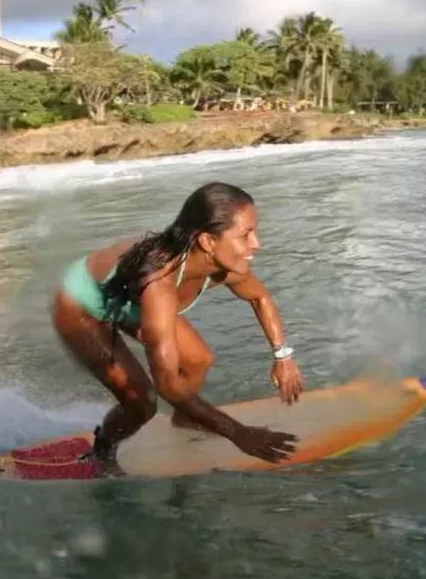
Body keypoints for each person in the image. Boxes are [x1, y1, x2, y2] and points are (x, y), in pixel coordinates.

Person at [51, 181, 305, 467]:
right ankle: (102, 450)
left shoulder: (226, 268)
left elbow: (260, 298)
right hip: (83, 305)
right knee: (142, 401)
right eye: (246, 235)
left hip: (132, 299)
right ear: (208, 241)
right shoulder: (161, 281)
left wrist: (283, 356)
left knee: (199, 359)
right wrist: (239, 434)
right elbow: (168, 383)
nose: (257, 244)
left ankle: (184, 419)